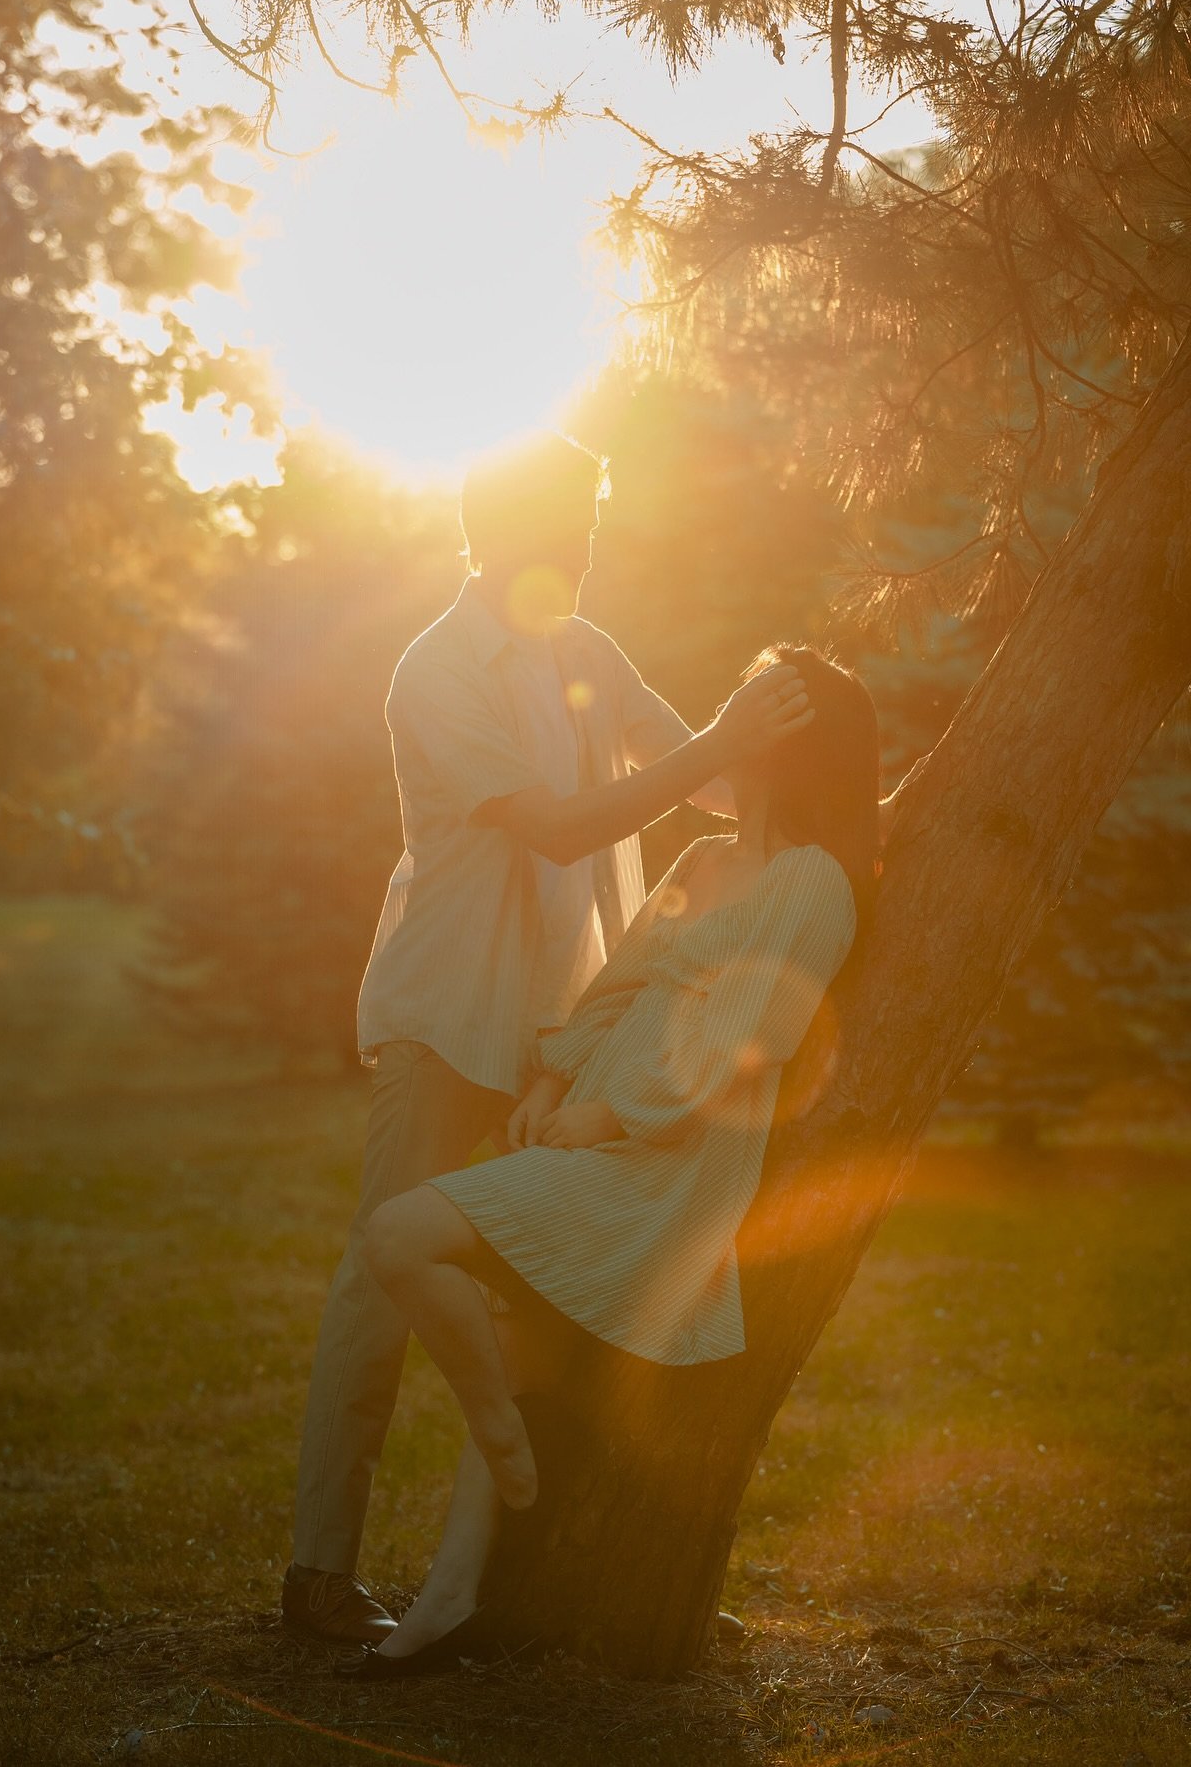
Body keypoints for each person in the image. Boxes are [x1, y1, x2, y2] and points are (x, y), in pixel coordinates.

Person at [282, 431, 816, 1643]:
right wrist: (721, 742)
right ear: (500, 530)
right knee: (380, 1274)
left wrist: (842, 798)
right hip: (449, 1016)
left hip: (563, 1028)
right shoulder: (435, 669)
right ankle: (317, 1575)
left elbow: (708, 780)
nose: (585, 541)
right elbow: (563, 826)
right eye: (567, 519)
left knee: (569, 1278)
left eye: (591, 517)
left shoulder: (588, 649)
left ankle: (556, 1574)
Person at [339, 644, 880, 1677]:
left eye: (752, 709)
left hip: (664, 1171)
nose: (727, 725)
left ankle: (503, 1434)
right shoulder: (700, 859)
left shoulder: (813, 884)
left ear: (793, 742)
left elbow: (743, 1042)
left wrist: (614, 1117)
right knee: (510, 1328)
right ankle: (452, 1593)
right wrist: (554, 1082)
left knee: (399, 1233)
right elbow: (619, 987)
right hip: (594, 1128)